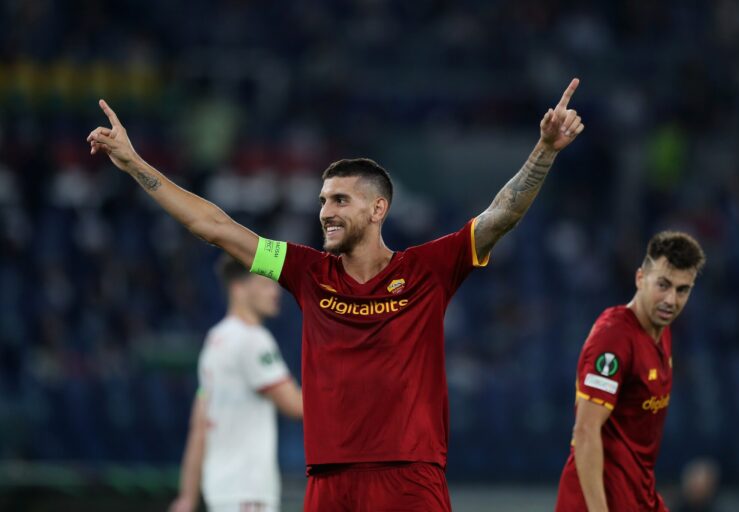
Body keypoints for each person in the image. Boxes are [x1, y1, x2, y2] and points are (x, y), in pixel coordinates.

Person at [88, 78, 584, 511]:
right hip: (329, 481)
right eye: (324, 200)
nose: (326, 211)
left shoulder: (428, 269)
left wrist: (544, 150)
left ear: (377, 209)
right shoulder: (305, 271)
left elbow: (502, 215)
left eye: (341, 200)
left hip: (410, 478)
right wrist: (133, 164)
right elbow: (214, 227)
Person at [555, 231, 706, 512]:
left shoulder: (662, 332)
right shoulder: (614, 338)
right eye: (663, 285)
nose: (671, 300)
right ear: (640, 278)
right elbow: (586, 431)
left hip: (638, 496)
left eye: (682, 290)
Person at [169, 255, 302, 512]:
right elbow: (296, 406)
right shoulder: (254, 340)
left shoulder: (215, 340)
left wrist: (187, 496)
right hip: (248, 491)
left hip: (222, 490)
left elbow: (199, 425)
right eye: (265, 284)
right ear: (238, 289)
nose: (275, 292)